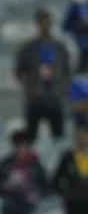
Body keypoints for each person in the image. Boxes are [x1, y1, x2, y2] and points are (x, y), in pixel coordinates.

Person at [15, 10, 72, 140]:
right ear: (37, 24)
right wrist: (28, 88)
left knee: (58, 137)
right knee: (31, 137)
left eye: (48, 23)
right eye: (43, 23)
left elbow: (67, 71)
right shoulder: (28, 48)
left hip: (55, 98)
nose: (46, 26)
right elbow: (19, 71)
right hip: (35, 98)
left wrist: (62, 90)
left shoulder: (59, 47)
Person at [0, 129, 48, 214]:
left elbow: (46, 188)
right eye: (19, 145)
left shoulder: (36, 165)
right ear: (14, 146)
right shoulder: (5, 164)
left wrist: (33, 191)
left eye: (25, 145)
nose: (22, 149)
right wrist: (7, 186)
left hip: (28, 207)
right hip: (10, 208)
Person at [53, 121, 88, 214]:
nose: (82, 138)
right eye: (79, 135)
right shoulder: (68, 157)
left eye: (84, 135)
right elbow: (56, 179)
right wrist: (64, 193)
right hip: (73, 204)